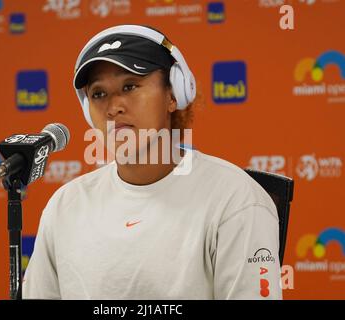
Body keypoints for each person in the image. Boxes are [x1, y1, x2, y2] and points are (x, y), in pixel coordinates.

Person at [23, 25, 282, 300]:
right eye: (98, 94)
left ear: (174, 95)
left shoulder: (235, 199)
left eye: (130, 86)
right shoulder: (65, 205)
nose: (113, 107)